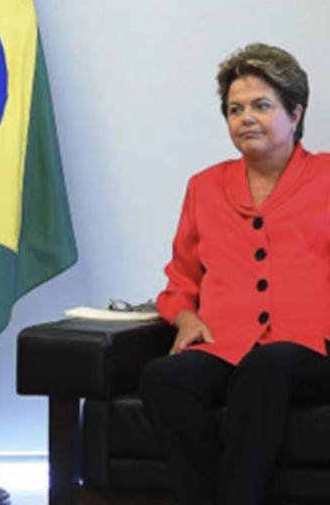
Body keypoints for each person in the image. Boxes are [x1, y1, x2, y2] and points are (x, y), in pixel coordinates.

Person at [139, 43, 330, 505]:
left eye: (262, 106)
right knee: (165, 377)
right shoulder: (204, 186)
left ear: (295, 114)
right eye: (235, 109)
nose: (246, 118)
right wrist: (185, 317)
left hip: (313, 348)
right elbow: (181, 279)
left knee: (268, 366)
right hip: (228, 344)